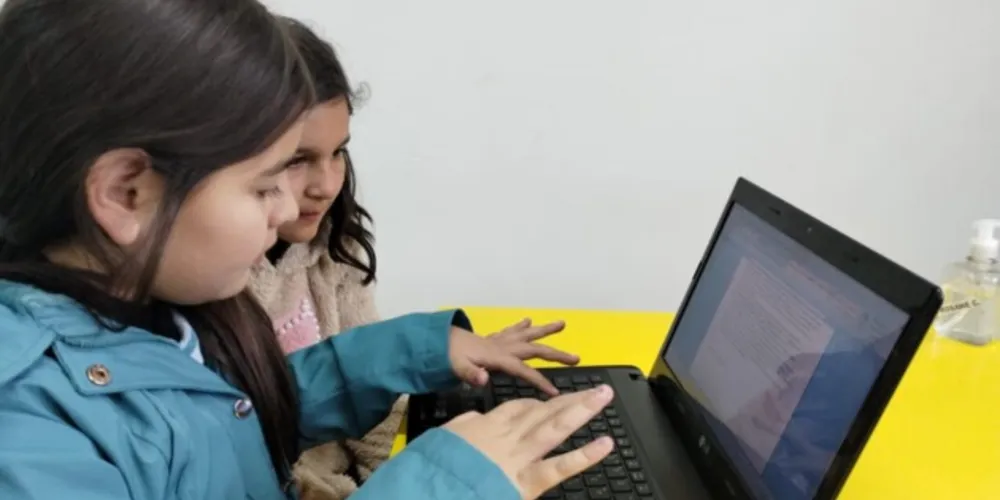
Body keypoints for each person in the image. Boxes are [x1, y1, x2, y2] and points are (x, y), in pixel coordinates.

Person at [0, 1, 614, 499]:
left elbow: (231, 420)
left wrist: (421, 349)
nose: (291, 210)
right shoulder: (25, 431)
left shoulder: (155, 306)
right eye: (266, 184)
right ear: (125, 193)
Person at [249, 18, 570, 499]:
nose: (326, 184)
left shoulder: (336, 244)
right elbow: (245, 442)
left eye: (338, 153)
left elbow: (362, 389)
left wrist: (400, 460)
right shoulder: (206, 289)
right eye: (297, 159)